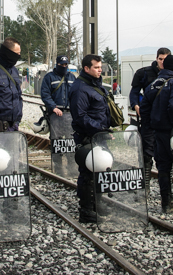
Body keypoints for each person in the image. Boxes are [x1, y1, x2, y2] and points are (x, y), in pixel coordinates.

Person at [142, 55, 173, 213]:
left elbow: (145, 108)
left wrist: (148, 127)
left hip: (157, 132)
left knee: (163, 167)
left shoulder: (153, 84)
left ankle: (166, 203)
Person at [69, 54, 111, 223]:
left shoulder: (94, 85)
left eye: (100, 67)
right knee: (88, 173)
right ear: (86, 68)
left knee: (100, 171)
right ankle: (86, 210)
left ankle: (97, 205)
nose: (100, 70)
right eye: (96, 67)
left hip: (99, 136)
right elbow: (80, 116)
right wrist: (101, 128)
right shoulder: (81, 88)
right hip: (88, 137)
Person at [128, 47, 170, 194]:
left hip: (166, 120)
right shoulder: (143, 73)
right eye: (160, 59)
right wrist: (136, 105)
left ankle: (166, 191)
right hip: (148, 118)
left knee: (166, 155)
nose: (162, 62)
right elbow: (134, 92)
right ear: (156, 58)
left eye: (165, 59)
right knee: (147, 152)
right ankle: (144, 187)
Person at [32, 55, 75, 134]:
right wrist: (53, 107)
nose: (64, 66)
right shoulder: (49, 77)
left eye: (65, 64)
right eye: (61, 65)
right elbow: (45, 94)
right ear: (57, 64)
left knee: (70, 137)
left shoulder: (72, 77)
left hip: (70, 114)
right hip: (55, 114)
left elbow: (76, 95)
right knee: (56, 138)